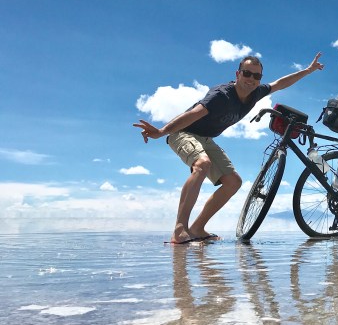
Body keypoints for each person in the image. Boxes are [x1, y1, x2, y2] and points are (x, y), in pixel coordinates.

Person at [133, 53, 324, 244]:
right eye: (247, 74)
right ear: (238, 74)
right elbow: (193, 114)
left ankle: (197, 228)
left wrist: (308, 70)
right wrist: (161, 131)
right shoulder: (221, 95)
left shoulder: (256, 93)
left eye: (256, 76)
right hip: (183, 132)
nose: (251, 79)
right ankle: (179, 230)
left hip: (206, 139)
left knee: (233, 182)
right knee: (202, 164)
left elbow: (280, 83)